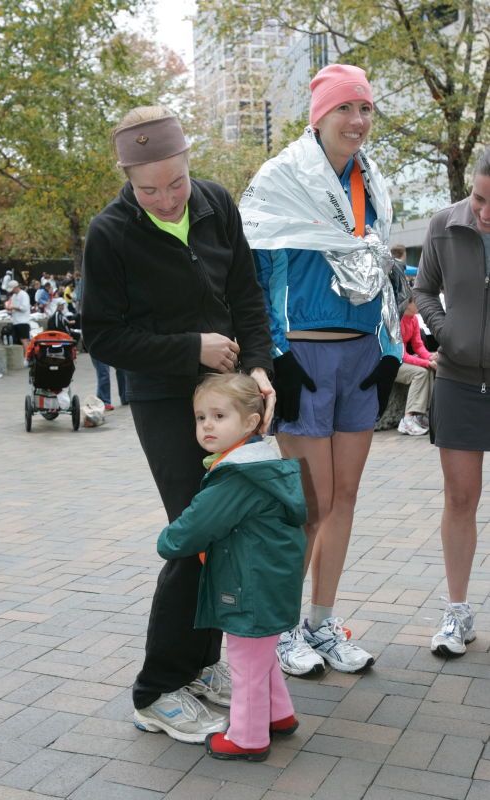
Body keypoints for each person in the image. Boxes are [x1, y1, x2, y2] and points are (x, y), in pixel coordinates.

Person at [81, 106, 274, 742]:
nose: (166, 199)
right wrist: (190, 348)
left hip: (231, 390)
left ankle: (199, 666)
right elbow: (103, 335)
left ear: (191, 162)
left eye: (176, 182)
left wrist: (259, 367)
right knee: (198, 532)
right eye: (148, 188)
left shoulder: (217, 202)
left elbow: (246, 292)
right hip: (166, 399)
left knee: (233, 532)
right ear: (127, 178)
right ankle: (156, 689)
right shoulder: (110, 233)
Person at [239, 63, 402, 676]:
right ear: (320, 115)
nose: (358, 121)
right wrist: (276, 356)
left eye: (365, 109)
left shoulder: (372, 181)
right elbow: (261, 276)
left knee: (348, 495)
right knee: (311, 501)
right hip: (303, 356)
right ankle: (281, 628)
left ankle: (322, 622)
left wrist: (388, 350)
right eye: (345, 109)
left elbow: (381, 270)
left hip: (360, 353)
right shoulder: (283, 178)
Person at [155, 373, 305, 757]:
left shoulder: (237, 476)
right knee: (260, 654)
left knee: (245, 663)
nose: (207, 425)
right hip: (267, 580)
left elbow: (196, 524)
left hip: (248, 584)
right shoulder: (260, 463)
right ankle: (279, 715)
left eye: (219, 416)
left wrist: (167, 542)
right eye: (200, 417)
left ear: (251, 422)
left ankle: (247, 737)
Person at [414, 147, 490, 657]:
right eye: (480, 198)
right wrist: (446, 335)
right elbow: (422, 290)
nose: (484, 213)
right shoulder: (445, 224)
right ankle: (457, 614)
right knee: (460, 499)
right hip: (460, 381)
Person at [395, 296, 437, 435]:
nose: (420, 305)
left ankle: (419, 416)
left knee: (428, 370)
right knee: (421, 372)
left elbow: (418, 346)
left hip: (401, 360)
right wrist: (427, 362)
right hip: (390, 363)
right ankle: (407, 420)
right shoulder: (397, 320)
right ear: (408, 304)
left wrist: (431, 357)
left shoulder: (413, 319)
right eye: (417, 302)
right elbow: (402, 355)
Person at [5, 280, 31, 354]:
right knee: (18, 341)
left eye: (12, 289)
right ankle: (22, 357)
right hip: (16, 321)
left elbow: (24, 308)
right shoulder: (13, 296)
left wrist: (13, 307)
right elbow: (12, 307)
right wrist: (9, 309)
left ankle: (27, 357)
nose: (12, 291)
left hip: (23, 321)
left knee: (24, 340)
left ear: (16, 287)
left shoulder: (24, 295)